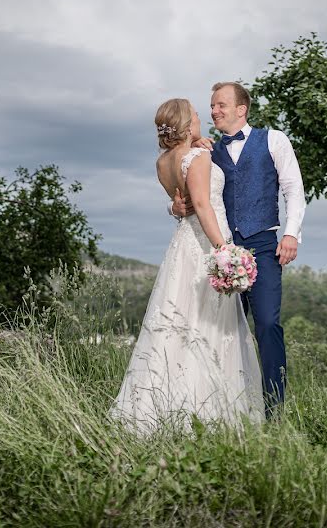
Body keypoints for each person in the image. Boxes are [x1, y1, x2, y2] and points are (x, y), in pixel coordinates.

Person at [109, 98, 264, 436]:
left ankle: (155, 406)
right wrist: (224, 250)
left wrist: (175, 207)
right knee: (210, 326)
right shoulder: (199, 156)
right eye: (195, 113)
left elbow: (181, 203)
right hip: (205, 246)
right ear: (185, 122)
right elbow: (204, 207)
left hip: (181, 248)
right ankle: (211, 413)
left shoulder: (163, 161)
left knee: (174, 325)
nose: (200, 117)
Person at [170, 82, 306, 419]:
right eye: (212, 106)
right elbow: (190, 200)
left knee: (267, 324)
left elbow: (294, 190)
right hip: (220, 250)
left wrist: (291, 234)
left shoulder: (274, 140)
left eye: (221, 105)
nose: (214, 111)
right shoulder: (206, 151)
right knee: (221, 331)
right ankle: (220, 408)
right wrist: (175, 208)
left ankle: (274, 409)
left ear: (241, 109)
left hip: (262, 247)